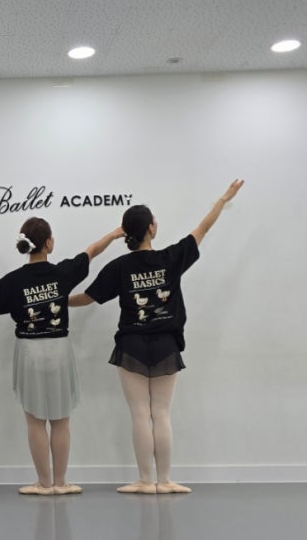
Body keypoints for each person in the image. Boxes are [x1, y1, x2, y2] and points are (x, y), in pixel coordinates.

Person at [69, 179, 244, 494]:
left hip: (131, 345)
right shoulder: (170, 258)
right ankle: (164, 480)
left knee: (140, 414)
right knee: (161, 413)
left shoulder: (119, 267)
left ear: (127, 233)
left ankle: (145, 481)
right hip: (165, 344)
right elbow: (203, 228)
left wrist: (58, 301)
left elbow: (87, 298)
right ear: (151, 228)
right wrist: (223, 199)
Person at [0, 218, 123, 495]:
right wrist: (113, 234)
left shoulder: (12, 281)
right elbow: (91, 251)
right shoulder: (63, 272)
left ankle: (43, 483)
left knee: (35, 421)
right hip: (59, 348)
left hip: (29, 350)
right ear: (49, 243)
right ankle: (60, 482)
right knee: (61, 420)